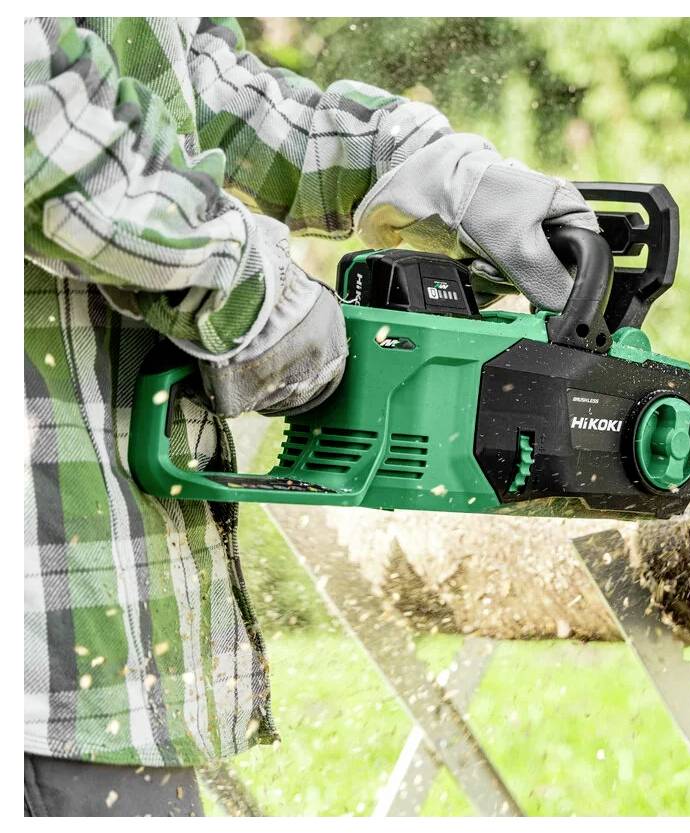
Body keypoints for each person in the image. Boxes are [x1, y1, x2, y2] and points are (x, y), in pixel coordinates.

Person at [23, 16, 597, 816]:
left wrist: (423, 166)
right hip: (41, 668)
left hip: (112, 649)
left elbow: (202, 90)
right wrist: (255, 296)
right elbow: (41, 122)